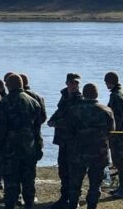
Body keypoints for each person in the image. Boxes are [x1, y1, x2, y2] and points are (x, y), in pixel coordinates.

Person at [0, 73, 42, 209]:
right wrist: (39, 147)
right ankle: (29, 206)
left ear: (8, 86)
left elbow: (0, 128)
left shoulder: (5, 102)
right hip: (29, 148)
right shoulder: (34, 102)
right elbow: (37, 130)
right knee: (28, 182)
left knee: (11, 183)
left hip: (10, 150)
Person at [66, 83, 114, 209]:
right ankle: (92, 206)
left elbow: (68, 131)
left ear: (84, 94)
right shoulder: (106, 110)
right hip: (99, 152)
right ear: (96, 94)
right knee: (95, 184)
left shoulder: (74, 110)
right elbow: (111, 130)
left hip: (78, 151)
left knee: (75, 183)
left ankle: (73, 205)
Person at [47, 73, 83, 209]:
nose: (74, 86)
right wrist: (52, 119)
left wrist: (57, 123)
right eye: (72, 83)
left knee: (74, 171)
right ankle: (64, 197)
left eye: (76, 83)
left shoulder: (80, 100)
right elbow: (60, 111)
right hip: (63, 140)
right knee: (63, 170)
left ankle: (74, 200)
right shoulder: (64, 97)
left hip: (74, 141)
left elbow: (74, 120)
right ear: (67, 83)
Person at [104, 71, 123, 199]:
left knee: (119, 161)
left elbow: (117, 118)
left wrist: (111, 133)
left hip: (119, 134)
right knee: (119, 160)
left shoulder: (116, 96)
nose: (105, 84)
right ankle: (122, 187)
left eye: (106, 82)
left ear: (109, 82)